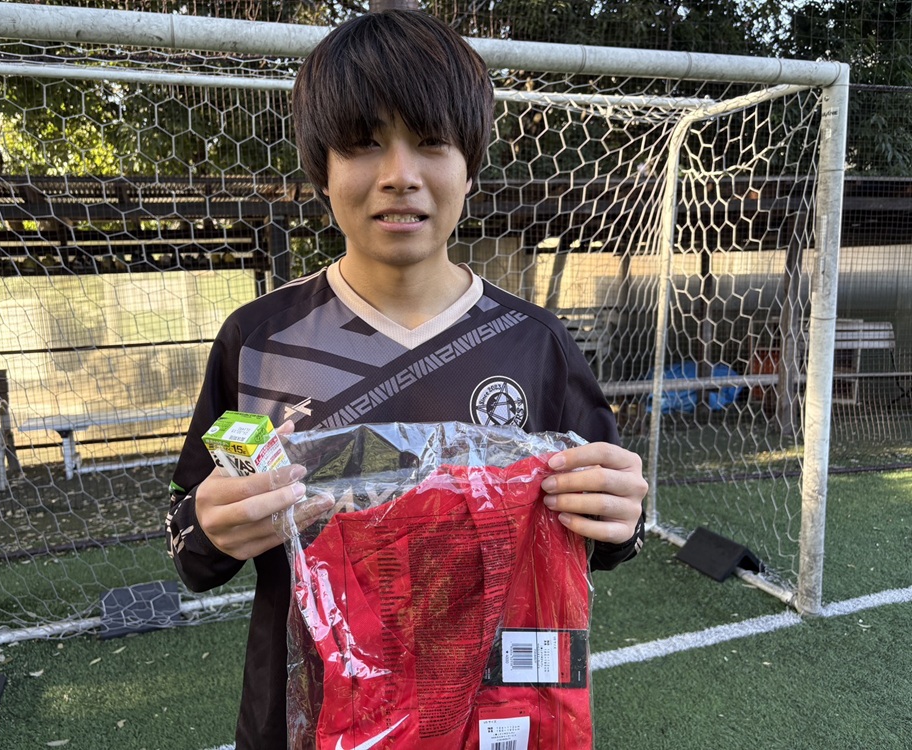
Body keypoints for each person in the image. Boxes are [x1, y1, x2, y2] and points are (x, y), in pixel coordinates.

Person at [166, 9, 648, 750]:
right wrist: (210, 528)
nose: (399, 175)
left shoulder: (536, 345)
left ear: (469, 165)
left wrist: (621, 514)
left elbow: (607, 533)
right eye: (364, 143)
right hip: (308, 724)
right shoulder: (258, 341)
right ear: (322, 168)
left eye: (430, 141)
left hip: (493, 721)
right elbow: (190, 538)